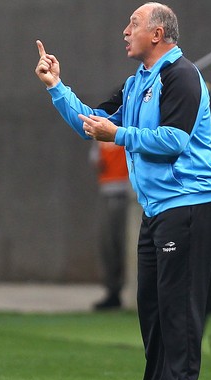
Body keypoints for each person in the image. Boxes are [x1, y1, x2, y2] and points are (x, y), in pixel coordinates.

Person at [35, 3, 211, 380]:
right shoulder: (138, 81)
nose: (124, 31)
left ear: (157, 34)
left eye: (133, 24)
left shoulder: (182, 75)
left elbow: (173, 139)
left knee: (179, 306)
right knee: (152, 306)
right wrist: (56, 87)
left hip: (189, 204)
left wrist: (118, 134)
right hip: (157, 208)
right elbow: (94, 121)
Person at [90, 89, 131, 311]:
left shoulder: (130, 129)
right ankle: (112, 289)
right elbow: (97, 162)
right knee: (108, 243)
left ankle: (128, 288)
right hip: (107, 191)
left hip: (128, 192)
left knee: (126, 243)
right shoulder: (101, 131)